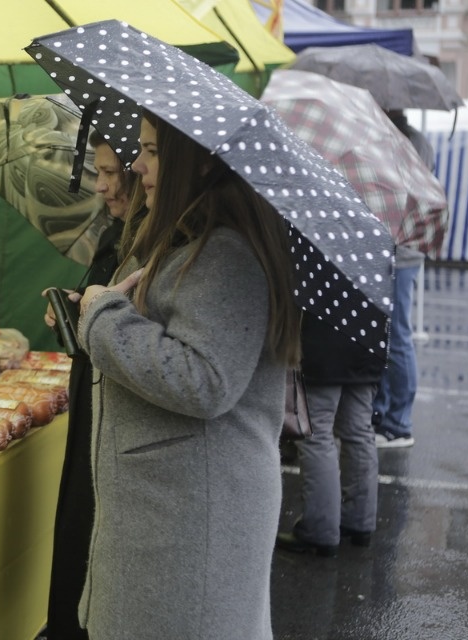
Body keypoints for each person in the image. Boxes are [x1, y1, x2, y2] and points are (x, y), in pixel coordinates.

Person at [73, 113, 301, 639]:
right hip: (176, 509)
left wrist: (104, 317)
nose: (136, 166)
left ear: (197, 162)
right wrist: (94, 311)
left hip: (190, 518)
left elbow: (203, 380)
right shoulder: (193, 243)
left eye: (151, 152)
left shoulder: (223, 253)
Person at [41, 129, 141, 640]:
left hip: (114, 412)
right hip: (89, 396)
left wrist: (95, 312)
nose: (100, 187)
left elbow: (134, 337)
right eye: (97, 172)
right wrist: (74, 304)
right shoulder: (113, 236)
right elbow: (98, 313)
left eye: (110, 172)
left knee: (94, 526)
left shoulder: (156, 244)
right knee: (77, 520)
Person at [275, 315, 384, 557]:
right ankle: (358, 520)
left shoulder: (320, 276)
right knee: (358, 429)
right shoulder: (374, 275)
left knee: (317, 433)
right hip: (368, 337)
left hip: (326, 340)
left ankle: (320, 529)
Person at [372, 110, 434, 448]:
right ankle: (383, 416)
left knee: (395, 336)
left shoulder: (406, 141)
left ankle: (398, 423)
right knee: (387, 335)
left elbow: (399, 193)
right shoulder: (411, 139)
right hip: (397, 249)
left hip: (401, 250)